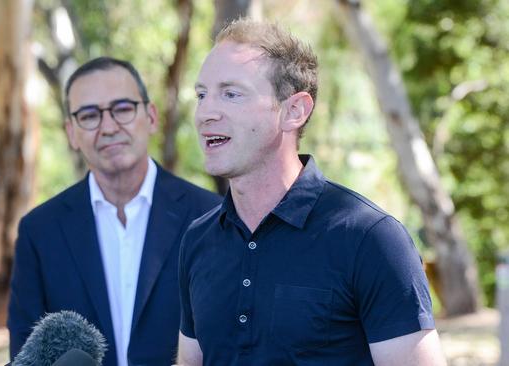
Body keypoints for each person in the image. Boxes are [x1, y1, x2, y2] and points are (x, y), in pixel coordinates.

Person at [177, 19, 447, 365]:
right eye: (202, 94)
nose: (205, 113)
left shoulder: (371, 239)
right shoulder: (198, 239)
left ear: (294, 111)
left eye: (231, 93)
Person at [7, 57, 221, 366]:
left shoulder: (210, 216)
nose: (108, 127)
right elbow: (26, 355)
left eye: (122, 109)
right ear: (71, 132)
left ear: (150, 116)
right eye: (89, 115)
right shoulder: (39, 231)